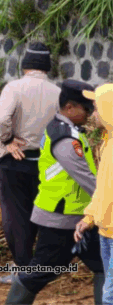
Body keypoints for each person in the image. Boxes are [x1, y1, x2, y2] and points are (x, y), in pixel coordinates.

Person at [5, 80, 104, 305]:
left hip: (79, 215)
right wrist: (107, 200)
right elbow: (86, 178)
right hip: (61, 220)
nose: (90, 114)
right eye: (86, 108)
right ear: (69, 108)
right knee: (40, 273)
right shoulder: (65, 138)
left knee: (105, 265)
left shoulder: (66, 130)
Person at [0, 42, 60, 284]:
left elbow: (2, 118)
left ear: (25, 65)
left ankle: (23, 268)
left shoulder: (14, 88)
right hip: (47, 162)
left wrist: (8, 139)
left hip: (15, 160)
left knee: (16, 216)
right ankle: (42, 268)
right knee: (42, 215)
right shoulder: (57, 92)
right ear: (46, 67)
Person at [76, 84, 113, 305]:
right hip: (105, 233)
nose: (94, 114)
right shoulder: (106, 144)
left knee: (109, 297)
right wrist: (88, 218)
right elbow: (102, 190)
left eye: (98, 108)